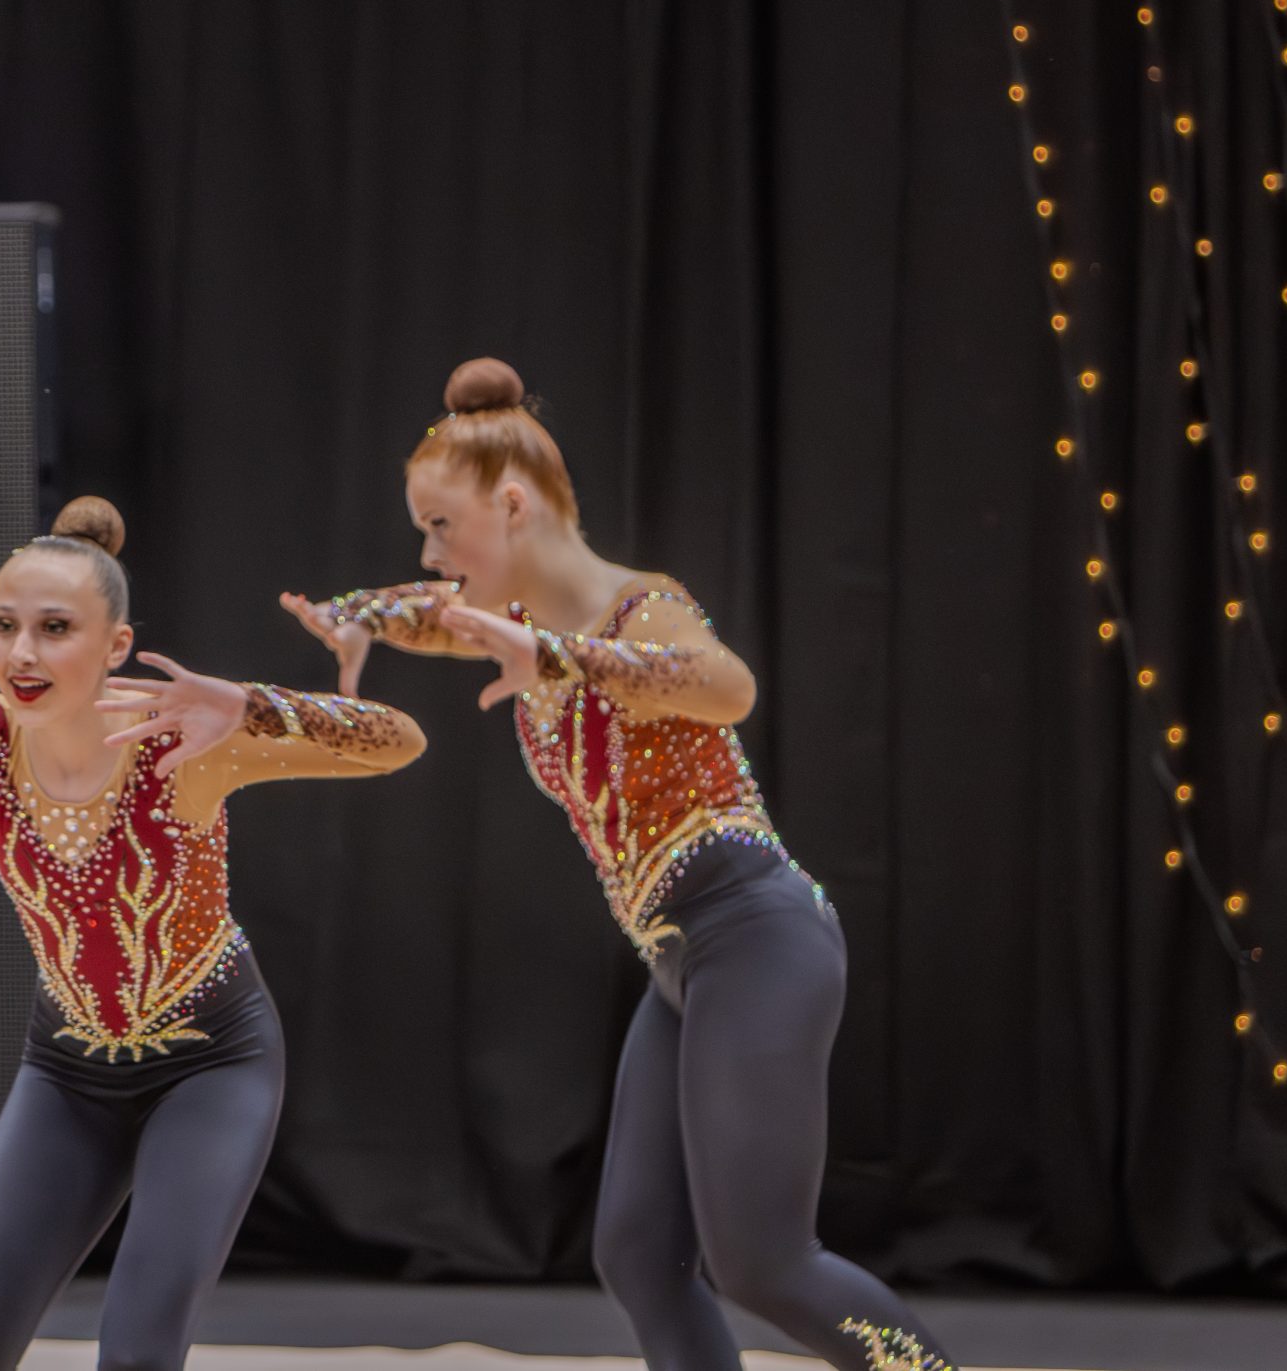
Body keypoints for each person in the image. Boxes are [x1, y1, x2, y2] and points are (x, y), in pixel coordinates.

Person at [282, 357, 954, 1371]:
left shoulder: (641, 610)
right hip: (683, 960)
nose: (430, 553)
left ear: (513, 506)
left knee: (764, 1263)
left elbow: (727, 686)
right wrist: (357, 615)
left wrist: (565, 657)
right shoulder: (518, 628)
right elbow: (433, 612)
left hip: (757, 935)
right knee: (640, 1253)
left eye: (441, 526)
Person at [0, 496, 425, 1371]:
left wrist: (253, 707)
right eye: (4, 625)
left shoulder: (182, 741)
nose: (21, 652)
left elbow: (397, 740)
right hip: (68, 1070)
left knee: (136, 1358)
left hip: (212, 1064)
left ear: (116, 644)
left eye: (54, 628)